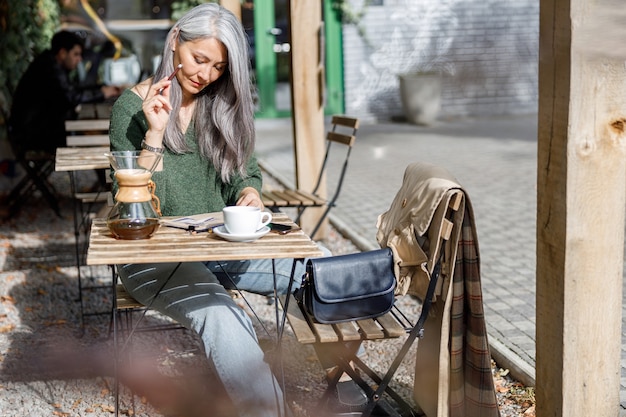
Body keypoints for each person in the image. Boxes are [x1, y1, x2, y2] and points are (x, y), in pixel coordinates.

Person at [108, 4, 320, 417]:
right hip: (152, 258)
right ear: (175, 43)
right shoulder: (129, 109)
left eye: (218, 67)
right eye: (199, 59)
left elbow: (247, 173)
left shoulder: (217, 104)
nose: (205, 75)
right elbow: (135, 204)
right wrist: (154, 135)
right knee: (223, 317)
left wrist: (250, 195)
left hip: (219, 244)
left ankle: (342, 385)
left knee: (320, 270)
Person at [9, 30, 121, 155]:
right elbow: (72, 97)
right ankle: (106, 166)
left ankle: (104, 166)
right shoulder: (50, 69)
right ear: (62, 53)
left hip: (34, 129)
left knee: (92, 133)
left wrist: (101, 89)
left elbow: (72, 90)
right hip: (32, 134)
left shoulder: (50, 63)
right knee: (94, 139)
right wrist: (102, 93)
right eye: (76, 54)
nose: (79, 59)